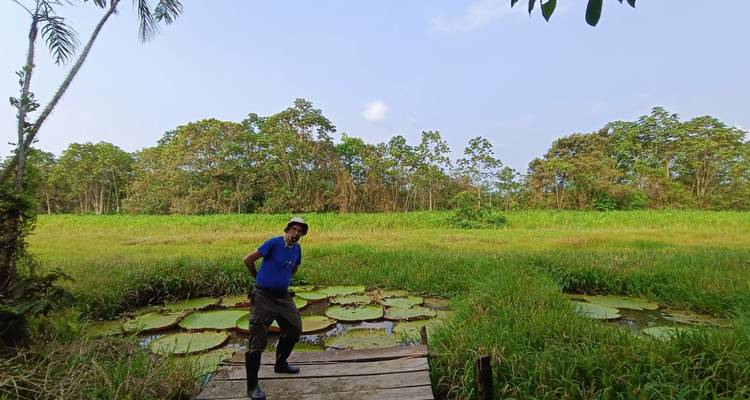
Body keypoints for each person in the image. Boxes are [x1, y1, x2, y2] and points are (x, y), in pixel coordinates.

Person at [242, 217, 308, 400]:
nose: (296, 233)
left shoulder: (297, 250)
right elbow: (248, 259)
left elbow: (294, 268)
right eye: (294, 229)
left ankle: (280, 363)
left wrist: (282, 278)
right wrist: (258, 277)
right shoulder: (273, 243)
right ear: (287, 230)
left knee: (294, 328)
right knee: (258, 339)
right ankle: (252, 387)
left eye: (300, 231)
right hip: (263, 296)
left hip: (283, 297)